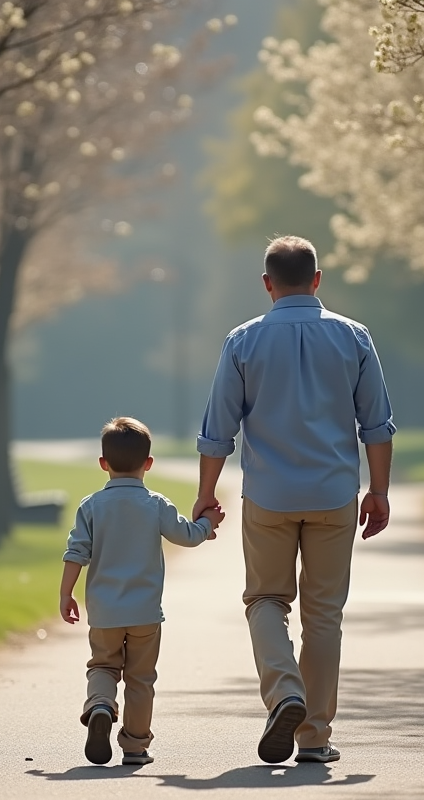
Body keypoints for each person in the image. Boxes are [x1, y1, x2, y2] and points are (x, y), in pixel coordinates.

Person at [193, 235, 395, 765]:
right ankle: (314, 736)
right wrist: (379, 490)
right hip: (333, 494)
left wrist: (206, 494)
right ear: (317, 279)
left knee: (265, 601)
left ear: (267, 284)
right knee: (324, 615)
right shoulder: (354, 338)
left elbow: (218, 428)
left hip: (268, 496)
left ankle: (285, 692)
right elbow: (376, 424)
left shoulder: (242, 342)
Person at [60, 416, 225, 767]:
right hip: (145, 614)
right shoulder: (156, 504)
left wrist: (66, 594)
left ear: (103, 464)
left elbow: (76, 552)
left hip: (104, 612)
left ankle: (101, 704)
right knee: (140, 679)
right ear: (148, 464)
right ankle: (135, 746)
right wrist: (208, 522)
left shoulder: (90, 506)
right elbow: (188, 536)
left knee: (103, 666)